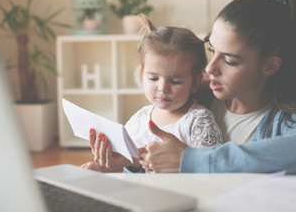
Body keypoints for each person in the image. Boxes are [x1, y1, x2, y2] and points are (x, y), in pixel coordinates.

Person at [139, 0, 296, 174]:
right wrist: (128, 164)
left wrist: (192, 160)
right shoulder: (194, 97)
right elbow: (156, 165)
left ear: (270, 66)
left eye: (229, 61)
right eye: (212, 50)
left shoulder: (286, 121)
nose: (210, 68)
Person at [81, 15, 223, 173]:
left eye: (175, 81)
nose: (162, 88)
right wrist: (104, 166)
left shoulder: (199, 121)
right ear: (143, 76)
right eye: (153, 78)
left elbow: (209, 169)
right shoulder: (138, 120)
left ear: (195, 82)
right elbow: (133, 165)